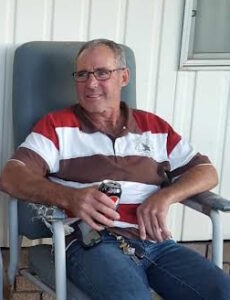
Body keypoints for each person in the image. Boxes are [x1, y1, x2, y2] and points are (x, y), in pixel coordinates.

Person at [0, 39, 230, 300]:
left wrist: (166, 196)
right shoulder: (57, 127)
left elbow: (206, 171)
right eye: (82, 74)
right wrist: (70, 198)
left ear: (124, 77)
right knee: (132, 296)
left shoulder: (154, 127)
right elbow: (11, 176)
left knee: (222, 290)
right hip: (92, 243)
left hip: (156, 244)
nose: (91, 83)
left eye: (102, 73)